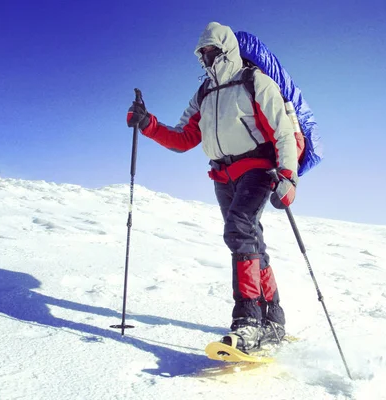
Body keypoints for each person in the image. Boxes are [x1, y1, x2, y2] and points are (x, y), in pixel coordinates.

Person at [126, 22, 299, 352]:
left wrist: (288, 176)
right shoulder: (204, 93)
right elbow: (183, 138)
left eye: (212, 51)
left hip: (258, 168)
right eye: (201, 52)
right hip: (223, 175)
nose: (206, 57)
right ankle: (273, 319)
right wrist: (147, 123)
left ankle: (248, 321)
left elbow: (282, 131)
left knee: (238, 230)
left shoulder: (254, 82)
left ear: (227, 50)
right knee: (249, 241)